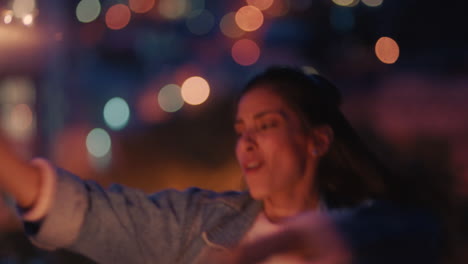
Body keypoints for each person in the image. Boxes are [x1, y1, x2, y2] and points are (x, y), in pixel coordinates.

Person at [0, 66, 442, 264]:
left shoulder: (374, 229)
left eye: (266, 125)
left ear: (317, 140)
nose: (246, 142)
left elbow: (417, 234)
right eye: (239, 129)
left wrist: (280, 245)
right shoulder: (201, 225)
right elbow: (95, 216)